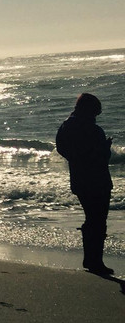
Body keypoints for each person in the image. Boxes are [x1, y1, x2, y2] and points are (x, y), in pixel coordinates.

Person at [55, 93, 114, 276]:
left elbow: (61, 148)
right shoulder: (93, 129)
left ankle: (91, 259)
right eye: (96, 111)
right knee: (98, 220)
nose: (97, 115)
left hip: (79, 179)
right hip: (97, 180)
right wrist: (105, 148)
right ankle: (94, 261)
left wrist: (76, 159)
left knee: (92, 218)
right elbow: (101, 156)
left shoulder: (67, 125)